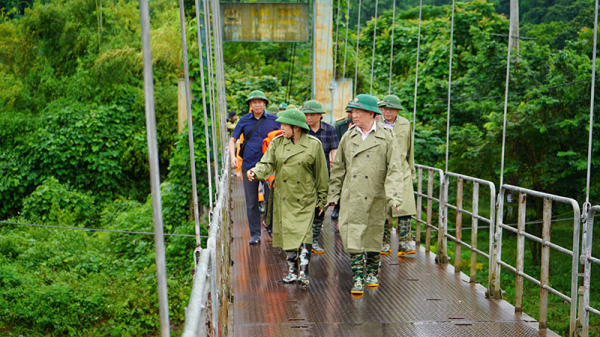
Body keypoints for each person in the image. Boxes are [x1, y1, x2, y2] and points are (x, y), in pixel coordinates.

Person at [326, 94, 403, 297]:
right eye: (353, 111)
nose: (354, 115)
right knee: (353, 235)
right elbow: (339, 168)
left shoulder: (387, 137)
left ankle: (372, 272)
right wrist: (333, 194)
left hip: (376, 194)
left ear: (371, 113)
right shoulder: (348, 136)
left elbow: (395, 168)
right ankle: (358, 277)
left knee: (373, 233)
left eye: (358, 111)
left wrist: (394, 196)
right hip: (353, 194)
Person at [247, 109, 329, 289]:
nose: (281, 128)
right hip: (284, 196)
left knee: (304, 233)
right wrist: (255, 172)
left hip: (305, 197)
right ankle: (292, 270)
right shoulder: (277, 143)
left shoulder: (313, 145)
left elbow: (321, 174)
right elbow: (266, 163)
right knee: (288, 234)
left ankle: (304, 273)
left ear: (296, 127)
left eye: (285, 125)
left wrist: (322, 199)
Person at [229, 90, 281, 245]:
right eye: (254, 102)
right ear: (250, 105)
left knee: (270, 199)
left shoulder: (274, 120)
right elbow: (233, 140)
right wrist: (233, 157)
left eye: (260, 101)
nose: (257, 104)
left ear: (265, 104)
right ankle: (255, 234)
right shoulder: (244, 121)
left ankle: (270, 226)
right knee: (251, 201)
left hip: (269, 167)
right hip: (249, 166)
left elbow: (286, 135)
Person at [379, 95, 417, 256]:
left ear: (397, 110)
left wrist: (412, 171)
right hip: (383, 171)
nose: (388, 111)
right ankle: (384, 242)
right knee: (382, 209)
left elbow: (410, 149)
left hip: (402, 171)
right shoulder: (376, 123)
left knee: (405, 208)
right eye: (385, 108)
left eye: (391, 108)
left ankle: (404, 243)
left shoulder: (405, 124)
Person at [300, 100, 339, 254]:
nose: (309, 118)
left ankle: (314, 241)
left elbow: (334, 151)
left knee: (319, 207)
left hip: (322, 175)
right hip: (304, 174)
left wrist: (335, 172)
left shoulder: (329, 130)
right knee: (303, 207)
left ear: (320, 115)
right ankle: (303, 241)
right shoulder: (301, 130)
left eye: (312, 114)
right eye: (306, 114)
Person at [331, 102, 353, 221]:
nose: (351, 114)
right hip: (343, 157)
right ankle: (337, 207)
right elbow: (336, 142)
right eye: (349, 112)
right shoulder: (340, 125)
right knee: (340, 181)